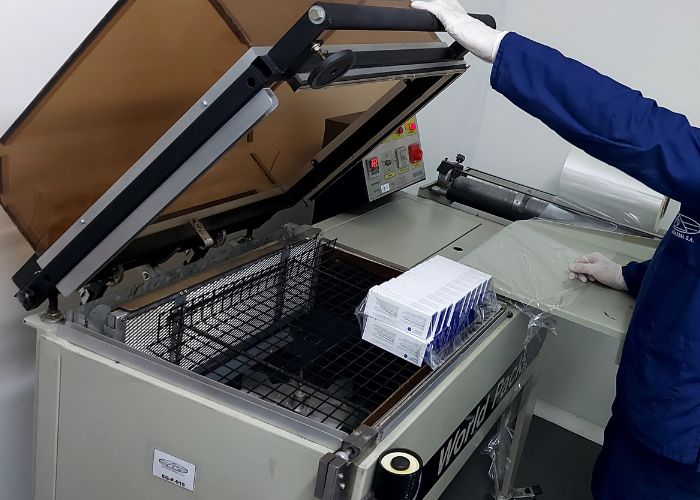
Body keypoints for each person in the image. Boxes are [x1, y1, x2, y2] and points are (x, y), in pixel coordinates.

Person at [410, 0, 700, 498]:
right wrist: (628, 276)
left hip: (679, 428)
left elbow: (638, 130)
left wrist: (501, 49)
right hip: (656, 392)